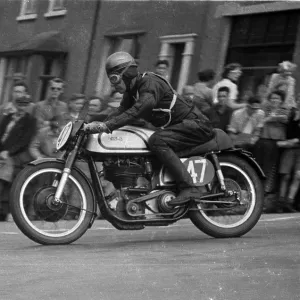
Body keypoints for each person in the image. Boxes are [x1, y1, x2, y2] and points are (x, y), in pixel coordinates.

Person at [84, 51, 214, 206]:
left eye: (114, 78)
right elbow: (120, 112)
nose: (113, 84)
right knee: (147, 143)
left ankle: (189, 187)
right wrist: (96, 126)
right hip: (179, 128)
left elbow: (139, 109)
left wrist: (106, 126)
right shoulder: (131, 92)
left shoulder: (149, 83)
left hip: (196, 125)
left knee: (157, 141)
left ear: (126, 74)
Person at [0, 95, 37, 221]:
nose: (22, 107)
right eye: (19, 104)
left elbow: (24, 140)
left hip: (16, 154)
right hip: (2, 152)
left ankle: (6, 211)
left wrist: (8, 152)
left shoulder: (30, 120)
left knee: (6, 178)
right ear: (15, 104)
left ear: (28, 106)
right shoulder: (7, 117)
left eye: (24, 104)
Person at [253, 90, 289, 195]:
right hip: (263, 139)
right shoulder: (265, 109)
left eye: (277, 98)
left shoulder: (284, 110)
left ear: (281, 101)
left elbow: (284, 118)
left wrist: (267, 119)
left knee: (271, 167)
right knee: (259, 164)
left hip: (276, 142)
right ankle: (256, 187)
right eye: (272, 98)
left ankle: (267, 190)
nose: (274, 100)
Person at [276, 93, 300, 213]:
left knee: (297, 176)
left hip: (295, 147)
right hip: (289, 149)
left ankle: (289, 202)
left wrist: (289, 142)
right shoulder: (290, 114)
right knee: (285, 176)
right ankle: (281, 203)